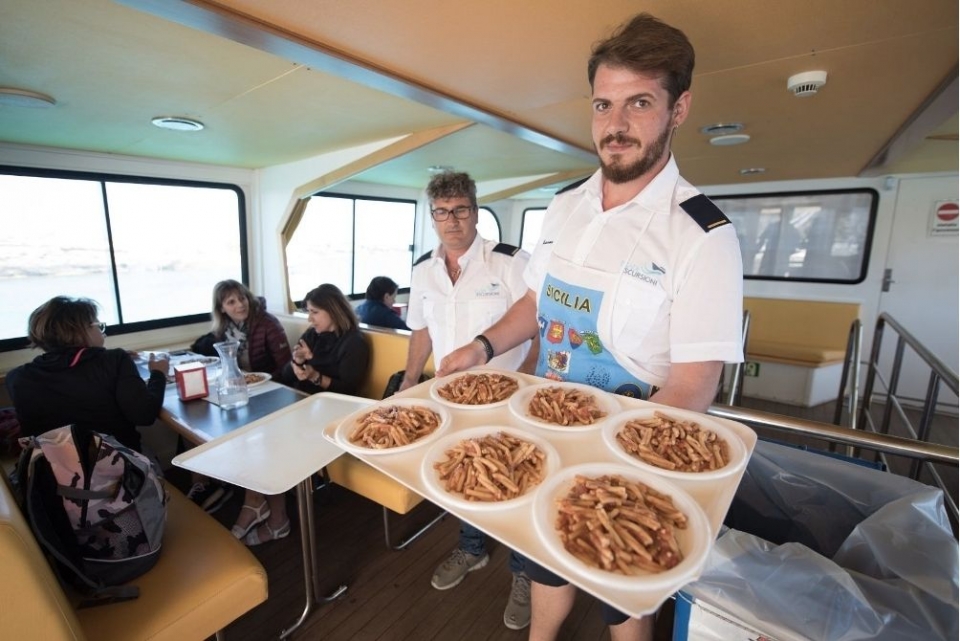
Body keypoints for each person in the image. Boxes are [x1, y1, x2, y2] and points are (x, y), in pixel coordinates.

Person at [436, 14, 743, 641]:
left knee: (623, 597)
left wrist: (621, 461)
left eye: (640, 103)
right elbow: (536, 300)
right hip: (542, 436)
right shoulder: (563, 206)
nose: (617, 124)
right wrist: (483, 344)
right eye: (604, 104)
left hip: (632, 455)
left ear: (679, 108)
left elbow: (695, 384)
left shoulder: (703, 236)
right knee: (545, 561)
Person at [400, 170, 539, 631]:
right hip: (451, 399)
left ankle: (523, 574)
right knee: (464, 477)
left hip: (509, 400)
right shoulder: (423, 270)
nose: (451, 221)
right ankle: (472, 549)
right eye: (442, 212)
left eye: (460, 210)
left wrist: (526, 382)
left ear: (476, 213)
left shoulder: (510, 263)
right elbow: (421, 329)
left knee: (518, 486)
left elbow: (537, 320)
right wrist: (408, 379)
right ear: (432, 217)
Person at [232, 283, 370, 546]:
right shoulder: (313, 334)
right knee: (254, 431)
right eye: (309, 312)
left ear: (333, 310)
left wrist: (314, 373)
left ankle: (274, 519)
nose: (309, 318)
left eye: (314, 312)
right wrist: (297, 364)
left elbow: (348, 391)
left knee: (271, 441)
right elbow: (287, 375)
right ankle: (257, 502)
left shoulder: (355, 343)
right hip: (305, 405)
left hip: (336, 414)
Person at [5, 296, 168, 454]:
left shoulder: (16, 377)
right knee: (150, 454)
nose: (103, 332)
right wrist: (158, 373)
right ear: (81, 330)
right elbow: (145, 415)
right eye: (98, 325)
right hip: (114, 472)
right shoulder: (115, 360)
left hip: (49, 474)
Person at [187, 280, 294, 514]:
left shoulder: (267, 324)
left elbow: (287, 368)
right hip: (241, 390)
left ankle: (255, 497)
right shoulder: (223, 329)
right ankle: (207, 483)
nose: (240, 305)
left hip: (270, 391)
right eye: (231, 301)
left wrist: (257, 379)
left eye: (242, 298)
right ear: (222, 308)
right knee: (199, 418)